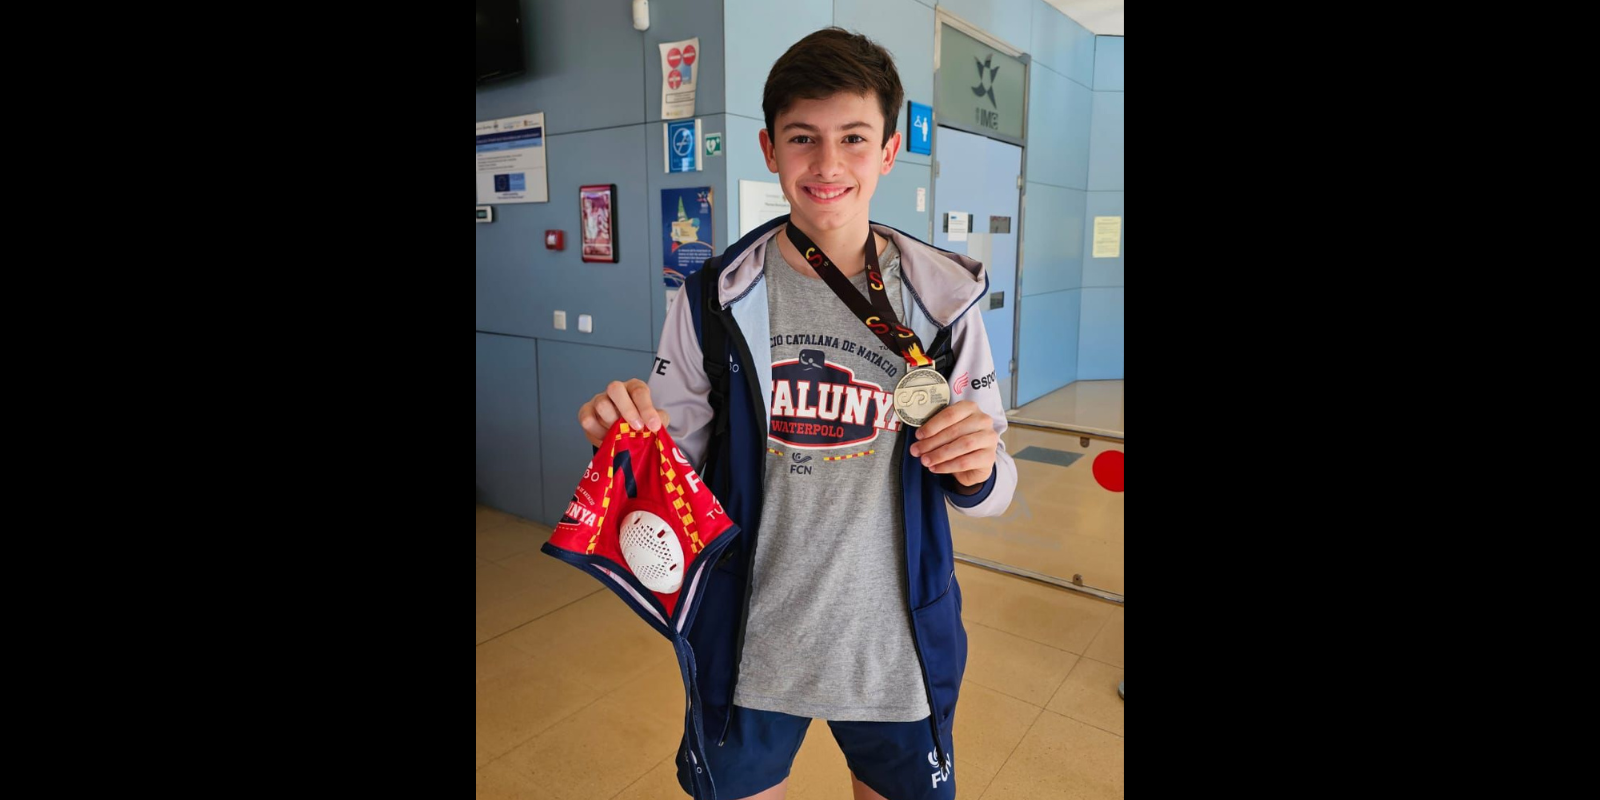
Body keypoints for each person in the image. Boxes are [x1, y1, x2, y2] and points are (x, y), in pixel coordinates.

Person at [577, 27, 1016, 800]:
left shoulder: (943, 300)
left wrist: (980, 469)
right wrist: (626, 447)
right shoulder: (715, 297)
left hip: (895, 647)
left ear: (887, 151)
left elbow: (995, 482)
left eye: (853, 137)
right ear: (769, 149)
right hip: (750, 642)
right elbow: (672, 466)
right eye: (802, 138)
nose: (828, 164)